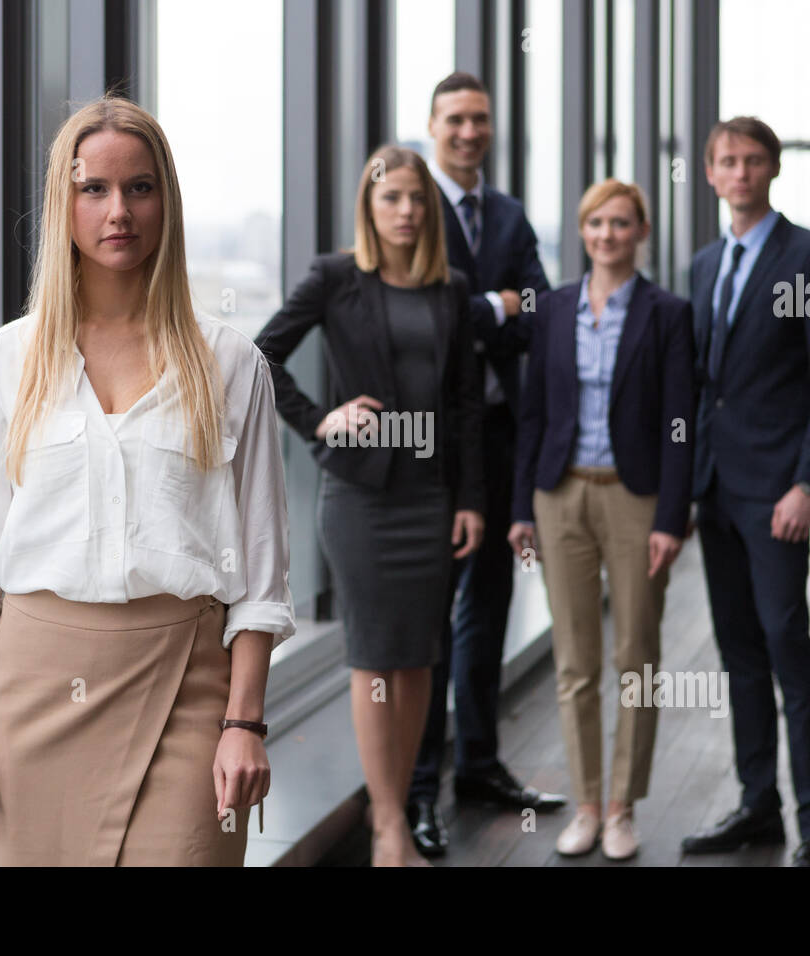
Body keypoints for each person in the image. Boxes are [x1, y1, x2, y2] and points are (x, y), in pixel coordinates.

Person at [0, 95, 294, 866]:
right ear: (63, 204)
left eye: (140, 187)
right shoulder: (10, 360)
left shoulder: (232, 365)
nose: (118, 211)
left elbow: (261, 577)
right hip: (30, 698)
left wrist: (245, 723)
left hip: (187, 694)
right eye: (93, 189)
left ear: (168, 201)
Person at [256, 145, 485, 867]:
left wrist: (471, 498)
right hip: (360, 496)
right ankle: (387, 823)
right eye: (392, 199)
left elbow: (467, 406)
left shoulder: (451, 290)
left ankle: (400, 803)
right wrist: (319, 419)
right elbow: (261, 354)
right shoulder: (335, 277)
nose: (407, 211)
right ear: (369, 206)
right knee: (373, 661)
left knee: (417, 660)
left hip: (430, 498)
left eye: (417, 199)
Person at [680, 116, 810, 867]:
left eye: (753, 160)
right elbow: (703, 385)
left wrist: (809, 481)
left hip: (777, 490)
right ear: (712, 175)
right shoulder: (701, 264)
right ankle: (758, 804)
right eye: (727, 161)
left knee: (788, 645)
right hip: (715, 488)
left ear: (773, 169)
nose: (741, 172)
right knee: (740, 650)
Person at [508, 179, 694, 859]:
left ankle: (623, 808)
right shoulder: (555, 310)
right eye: (596, 223)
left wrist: (673, 516)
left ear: (641, 231)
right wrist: (521, 506)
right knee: (575, 660)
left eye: (621, 223)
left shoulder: (668, 313)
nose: (608, 234)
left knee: (635, 656)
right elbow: (534, 412)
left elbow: (681, 423)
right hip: (559, 497)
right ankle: (586, 804)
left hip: (636, 498)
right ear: (583, 231)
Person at [408, 71, 564, 857]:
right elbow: (423, 313)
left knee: (489, 607)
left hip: (500, 437)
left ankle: (478, 764)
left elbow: (540, 308)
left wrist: (494, 311)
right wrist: (493, 308)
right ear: (431, 125)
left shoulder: (506, 214)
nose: (470, 132)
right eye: (456, 119)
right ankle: (417, 790)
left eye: (481, 119)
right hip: (431, 443)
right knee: (431, 620)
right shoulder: (410, 201)